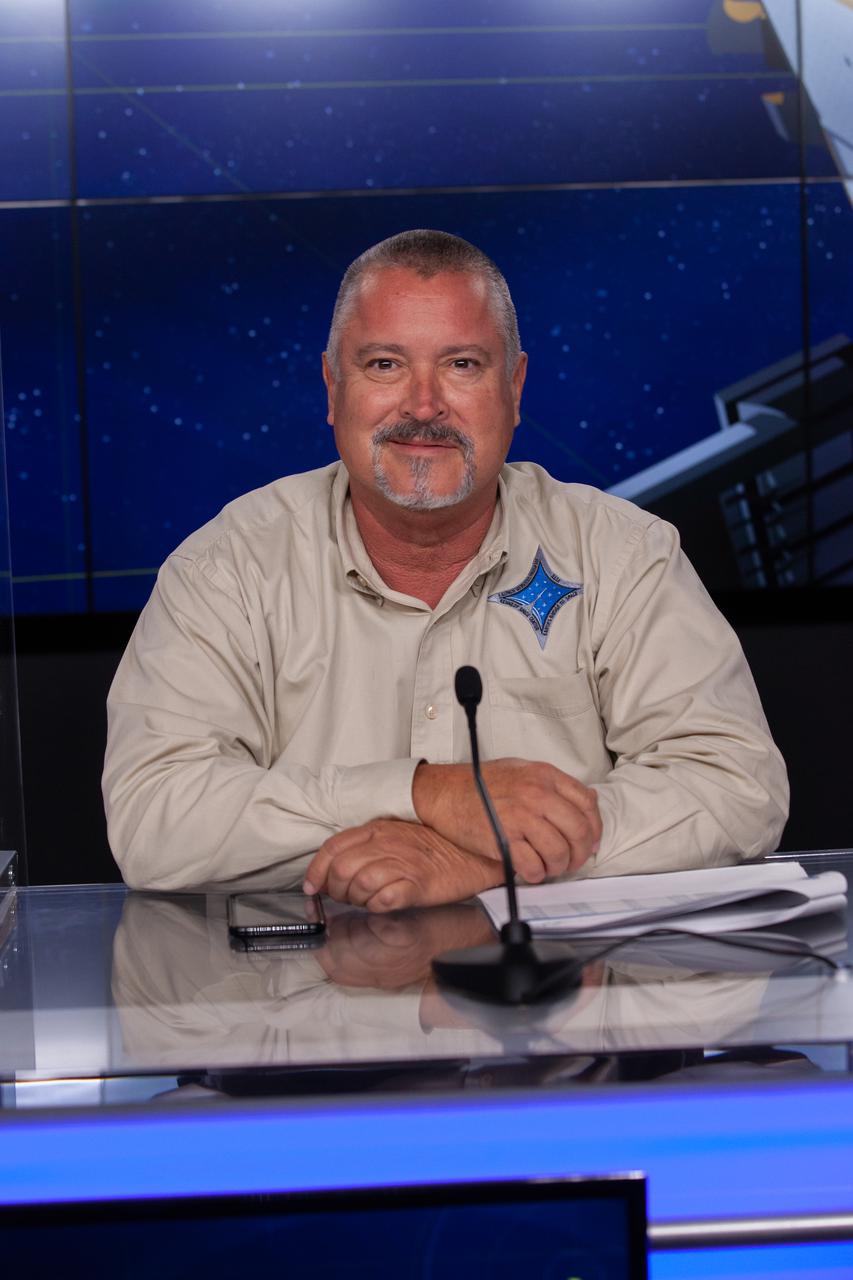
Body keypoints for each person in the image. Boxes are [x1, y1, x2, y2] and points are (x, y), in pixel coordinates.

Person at [103, 229, 788, 908]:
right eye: (383, 365)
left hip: (563, 1005)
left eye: (461, 364)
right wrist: (424, 792)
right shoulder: (225, 569)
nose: (423, 405)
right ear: (332, 386)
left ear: (514, 388)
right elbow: (154, 818)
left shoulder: (623, 554)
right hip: (297, 1003)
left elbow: (736, 788)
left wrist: (483, 862)